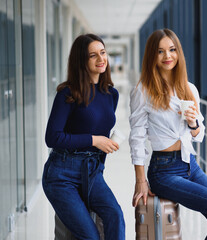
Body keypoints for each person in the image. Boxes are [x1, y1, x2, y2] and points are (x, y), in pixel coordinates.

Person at [129, 28, 207, 240]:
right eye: (160, 51)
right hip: (164, 171)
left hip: (191, 165)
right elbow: (137, 137)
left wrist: (193, 122)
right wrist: (140, 179)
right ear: (152, 55)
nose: (168, 56)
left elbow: (199, 135)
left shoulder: (189, 89)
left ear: (178, 52)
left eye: (172, 50)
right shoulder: (143, 90)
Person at [42, 34, 125, 240]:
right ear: (82, 60)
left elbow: (103, 132)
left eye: (103, 53)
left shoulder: (110, 94)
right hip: (61, 175)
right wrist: (94, 140)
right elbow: (52, 138)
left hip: (92, 171)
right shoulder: (67, 93)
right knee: (90, 235)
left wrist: (100, 162)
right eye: (93, 55)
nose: (101, 59)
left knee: (115, 215)